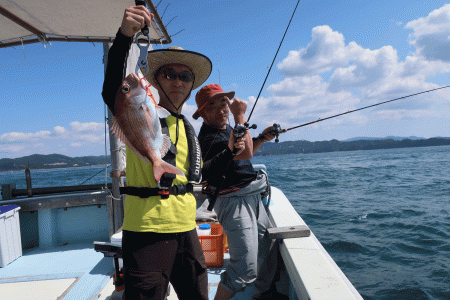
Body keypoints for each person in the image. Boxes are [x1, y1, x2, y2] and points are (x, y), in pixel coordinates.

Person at [102, 5, 245, 300]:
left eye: (185, 76)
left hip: (187, 227)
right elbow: (113, 91)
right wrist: (124, 36)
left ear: (192, 86)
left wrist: (230, 151)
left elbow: (199, 172)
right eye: (170, 74)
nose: (178, 81)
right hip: (146, 230)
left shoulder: (187, 127)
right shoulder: (144, 112)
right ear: (155, 80)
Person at [193, 83, 279, 300]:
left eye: (224, 102)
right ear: (202, 113)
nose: (222, 109)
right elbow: (246, 153)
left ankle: (262, 296)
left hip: (251, 197)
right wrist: (240, 115)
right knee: (243, 270)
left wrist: (262, 138)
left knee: (266, 250)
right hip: (234, 202)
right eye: (213, 105)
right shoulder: (208, 138)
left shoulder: (226, 130)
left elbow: (242, 155)